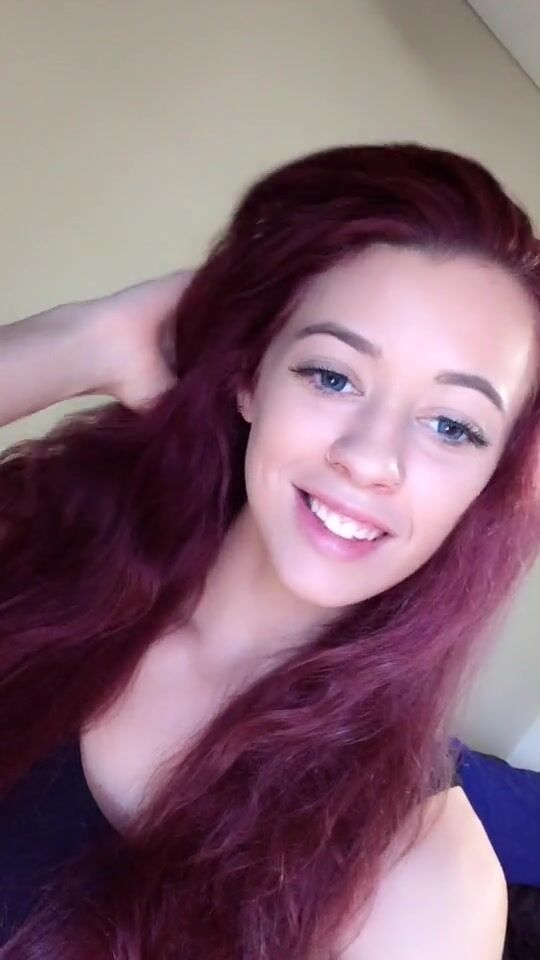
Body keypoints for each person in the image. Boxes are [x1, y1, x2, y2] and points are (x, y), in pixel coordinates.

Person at [1, 143, 539, 959]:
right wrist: (81, 340)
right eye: (332, 376)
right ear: (250, 376)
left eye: (452, 426)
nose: (370, 458)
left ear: (489, 481)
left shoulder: (428, 885)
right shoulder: (41, 552)